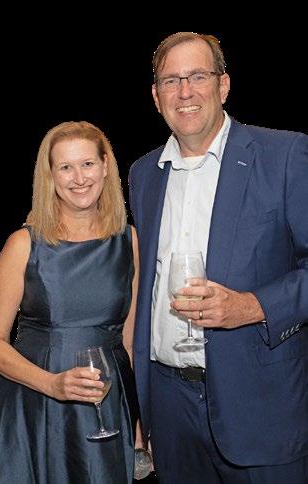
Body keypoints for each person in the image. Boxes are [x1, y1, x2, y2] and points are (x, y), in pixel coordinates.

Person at [129, 31, 308, 483]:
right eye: (171, 81)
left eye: (197, 76)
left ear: (223, 85)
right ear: (156, 96)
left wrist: (252, 306)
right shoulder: (143, 174)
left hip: (262, 408)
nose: (184, 92)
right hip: (169, 409)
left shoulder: (285, 155)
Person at [0, 121, 140, 483]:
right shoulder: (23, 244)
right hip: (34, 409)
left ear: (105, 166)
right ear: (50, 176)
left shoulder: (129, 241)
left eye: (87, 164)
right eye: (66, 167)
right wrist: (51, 384)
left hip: (109, 407)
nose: (79, 178)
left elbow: (131, 342)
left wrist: (142, 421)